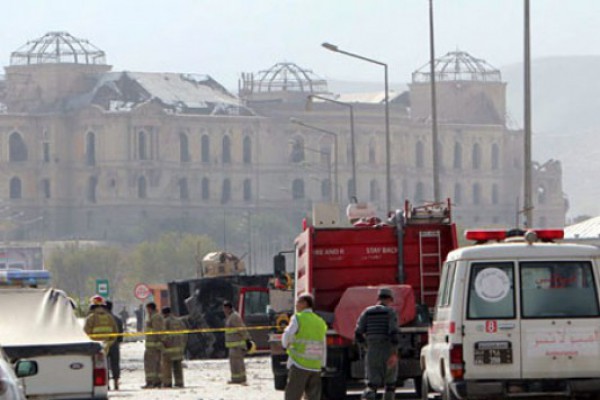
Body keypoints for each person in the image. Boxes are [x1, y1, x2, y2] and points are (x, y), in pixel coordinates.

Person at [354, 287, 400, 400]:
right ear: (390, 299)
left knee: (372, 384)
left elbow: (358, 333)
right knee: (390, 383)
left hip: (372, 350)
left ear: (378, 298)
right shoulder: (391, 312)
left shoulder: (367, 312)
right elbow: (393, 332)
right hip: (387, 349)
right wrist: (394, 352)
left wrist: (366, 346)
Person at [282, 293, 327, 400]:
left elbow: (287, 334)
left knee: (292, 396)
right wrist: (322, 364)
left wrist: (285, 345)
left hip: (299, 364)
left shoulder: (298, 318)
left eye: (297, 302)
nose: (296, 305)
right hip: (315, 367)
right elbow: (323, 345)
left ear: (304, 303)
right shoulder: (320, 322)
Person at [223, 300, 250, 384]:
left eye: (225, 309)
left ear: (228, 308)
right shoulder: (230, 317)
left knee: (238, 363)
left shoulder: (235, 317)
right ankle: (235, 379)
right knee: (233, 364)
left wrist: (247, 340)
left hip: (237, 345)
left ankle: (241, 379)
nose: (224, 311)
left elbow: (241, 329)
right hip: (232, 345)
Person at [160, 307, 187, 388]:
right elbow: (185, 334)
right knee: (178, 366)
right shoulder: (179, 321)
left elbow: (163, 334)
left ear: (164, 314)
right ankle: (180, 382)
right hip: (179, 348)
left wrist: (163, 343)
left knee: (167, 367)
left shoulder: (165, 321)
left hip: (169, 348)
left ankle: (167, 383)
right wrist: (183, 344)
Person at [142, 302, 165, 389]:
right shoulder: (152, 317)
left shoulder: (156, 317)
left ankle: (153, 382)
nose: (147, 311)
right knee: (152, 364)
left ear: (150, 308)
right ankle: (153, 381)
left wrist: (158, 342)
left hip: (153, 345)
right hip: (150, 345)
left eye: (147, 309)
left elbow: (157, 331)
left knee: (152, 364)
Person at [106, 301, 124, 391]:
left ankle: (106, 384)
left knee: (104, 364)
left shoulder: (102, 318)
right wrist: (119, 342)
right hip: (114, 344)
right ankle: (116, 383)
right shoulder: (117, 319)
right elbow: (121, 333)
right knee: (115, 364)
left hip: (104, 344)